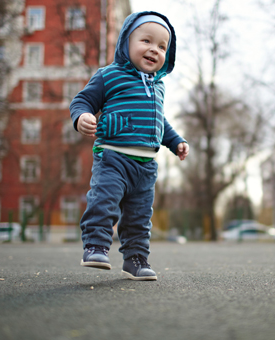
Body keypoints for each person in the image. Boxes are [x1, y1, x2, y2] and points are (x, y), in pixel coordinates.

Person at [70, 11, 188, 281]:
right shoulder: (108, 76)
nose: (153, 50)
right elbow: (82, 101)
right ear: (126, 42)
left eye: (161, 46)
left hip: (146, 166)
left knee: (139, 217)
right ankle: (95, 246)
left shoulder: (158, 86)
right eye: (146, 41)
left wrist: (176, 141)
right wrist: (82, 117)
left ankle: (136, 259)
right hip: (113, 157)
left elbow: (160, 122)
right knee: (104, 201)